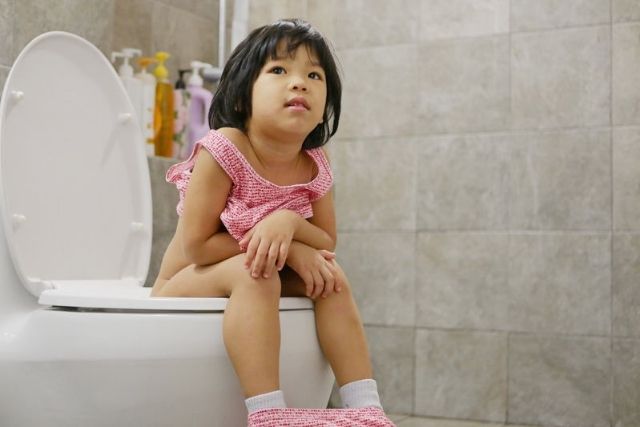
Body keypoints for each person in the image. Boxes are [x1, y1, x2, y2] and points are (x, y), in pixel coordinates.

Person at [151, 19, 394, 426]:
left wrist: (289, 224)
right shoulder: (226, 148)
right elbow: (196, 247)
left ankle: (364, 407)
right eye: (279, 70)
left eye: (314, 75)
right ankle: (267, 412)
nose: (299, 83)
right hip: (186, 281)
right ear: (244, 95)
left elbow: (327, 238)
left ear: (324, 107)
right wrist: (284, 244)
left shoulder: (315, 161)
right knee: (256, 272)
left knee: (330, 276)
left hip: (258, 271)